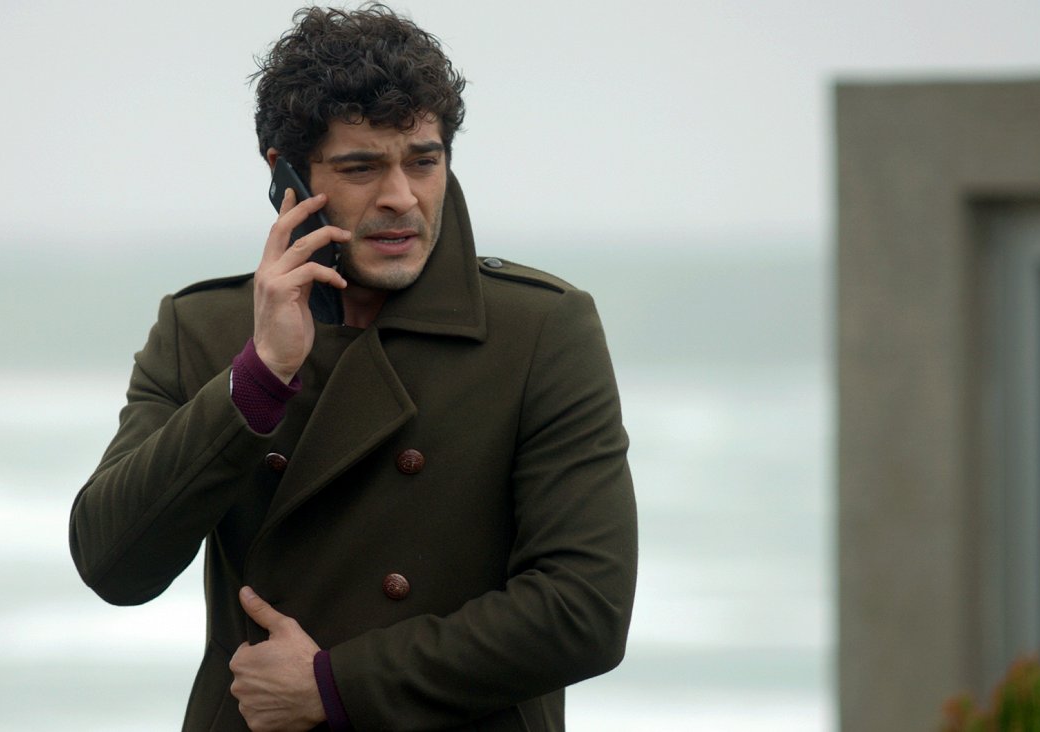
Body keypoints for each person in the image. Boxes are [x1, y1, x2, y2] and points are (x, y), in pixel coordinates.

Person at [68, 5, 637, 731]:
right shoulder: (203, 329)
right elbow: (114, 566)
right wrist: (261, 376)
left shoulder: (540, 330)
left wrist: (335, 686)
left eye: (423, 161)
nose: (400, 197)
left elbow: (586, 609)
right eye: (361, 168)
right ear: (285, 176)